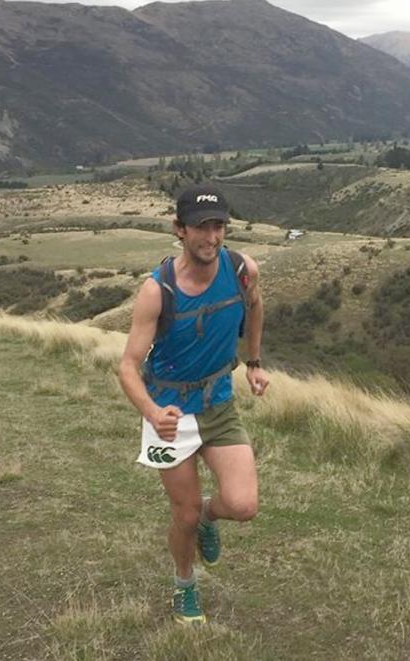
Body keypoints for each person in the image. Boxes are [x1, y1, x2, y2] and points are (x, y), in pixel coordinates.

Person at [119, 183, 269, 624]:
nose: (211, 237)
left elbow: (255, 307)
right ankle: (185, 584)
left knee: (242, 505)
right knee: (181, 514)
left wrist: (254, 362)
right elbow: (128, 365)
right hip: (170, 412)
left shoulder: (242, 270)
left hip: (218, 402)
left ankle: (210, 516)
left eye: (218, 225)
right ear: (179, 230)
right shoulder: (157, 290)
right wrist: (151, 412)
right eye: (201, 227)